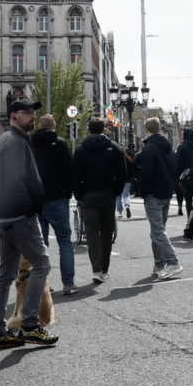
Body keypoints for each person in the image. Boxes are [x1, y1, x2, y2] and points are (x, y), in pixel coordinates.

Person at [0, 96, 57, 349]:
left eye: (33, 112)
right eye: (27, 113)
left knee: (5, 274)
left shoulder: (5, 141)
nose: (32, 116)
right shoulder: (15, 142)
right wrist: (30, 209)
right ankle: (30, 325)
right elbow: (16, 181)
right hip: (18, 217)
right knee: (42, 264)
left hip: (5, 216)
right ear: (14, 116)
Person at [70, 117, 123, 284]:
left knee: (92, 232)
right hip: (107, 193)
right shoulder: (114, 147)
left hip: (89, 194)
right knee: (107, 232)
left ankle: (96, 268)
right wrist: (116, 190)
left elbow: (75, 175)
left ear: (89, 129)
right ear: (103, 129)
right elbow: (122, 172)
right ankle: (104, 268)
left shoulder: (80, 150)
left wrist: (78, 194)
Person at [30, 113, 78, 294]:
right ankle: (68, 283)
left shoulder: (30, 143)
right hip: (57, 197)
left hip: (37, 199)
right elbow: (68, 170)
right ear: (53, 126)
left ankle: (43, 285)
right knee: (65, 241)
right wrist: (67, 192)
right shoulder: (59, 144)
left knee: (40, 245)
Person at [134, 117, 182, 279]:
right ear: (160, 128)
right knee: (158, 230)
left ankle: (172, 262)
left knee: (157, 231)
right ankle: (159, 264)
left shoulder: (149, 149)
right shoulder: (169, 147)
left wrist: (143, 190)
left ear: (147, 130)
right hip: (167, 192)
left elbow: (146, 173)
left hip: (153, 192)